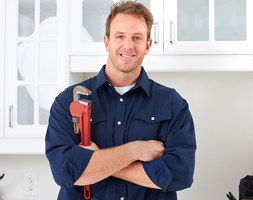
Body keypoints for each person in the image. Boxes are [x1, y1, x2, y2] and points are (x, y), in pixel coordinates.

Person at [46, 1, 196, 199]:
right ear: (107, 42)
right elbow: (65, 171)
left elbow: (179, 174)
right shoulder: (68, 101)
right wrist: (136, 150)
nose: (128, 45)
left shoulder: (172, 104)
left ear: (147, 45)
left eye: (137, 37)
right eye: (120, 36)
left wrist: (96, 160)